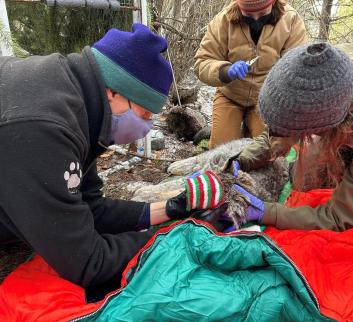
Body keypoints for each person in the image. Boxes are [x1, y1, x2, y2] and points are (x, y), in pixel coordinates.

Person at [0, 24, 224, 290]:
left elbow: (91, 207)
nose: (147, 127)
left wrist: (171, 209)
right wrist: (177, 234)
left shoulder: (80, 101)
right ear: (113, 91)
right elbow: (89, 263)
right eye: (143, 115)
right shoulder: (45, 129)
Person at [225, 42, 353, 232]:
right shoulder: (320, 69)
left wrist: (265, 212)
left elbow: (341, 216)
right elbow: (281, 125)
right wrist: (241, 159)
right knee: (302, 179)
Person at [193, 0, 307, 149]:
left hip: (268, 98)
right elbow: (202, 61)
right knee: (220, 152)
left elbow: (298, 65)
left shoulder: (290, 20)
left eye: (262, 14)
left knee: (270, 150)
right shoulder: (224, 20)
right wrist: (225, 71)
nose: (255, 19)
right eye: (248, 14)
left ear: (273, 4)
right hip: (230, 94)